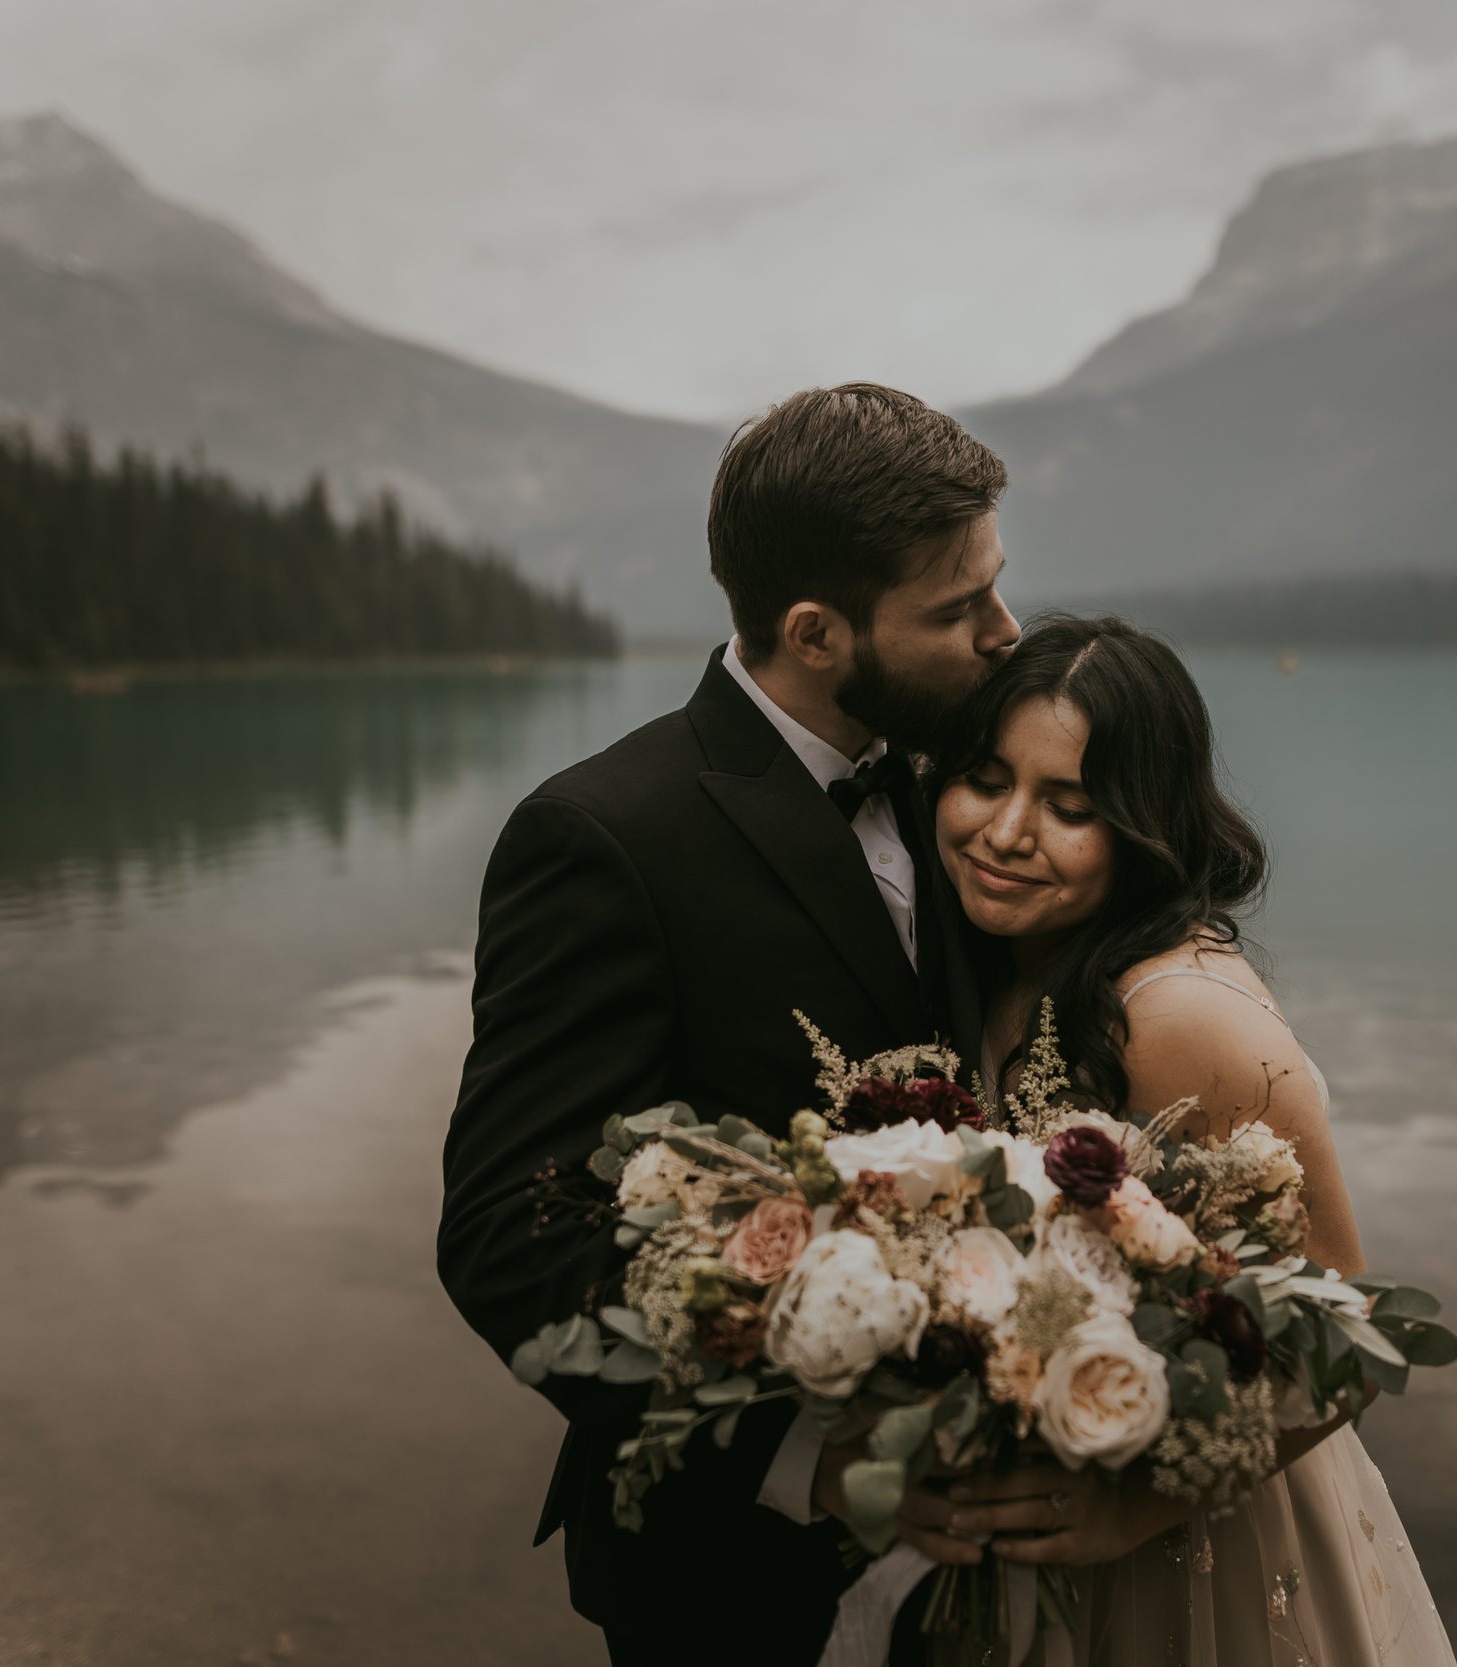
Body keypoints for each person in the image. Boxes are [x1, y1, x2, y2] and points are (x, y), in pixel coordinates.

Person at [437, 384, 1021, 1667]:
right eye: (957, 607)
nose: (1003, 631)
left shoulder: (976, 790)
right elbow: (508, 1234)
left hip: (992, 1560)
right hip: (727, 1577)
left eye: (994, 585)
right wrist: (808, 1459)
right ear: (815, 631)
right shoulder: (600, 840)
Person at [903, 615, 1457, 1665]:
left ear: (1142, 824)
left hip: (1197, 1549)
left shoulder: (1183, 1017)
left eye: (1067, 805)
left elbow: (1350, 1324)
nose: (1006, 830)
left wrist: (1143, 1507)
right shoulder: (1026, 957)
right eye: (985, 778)